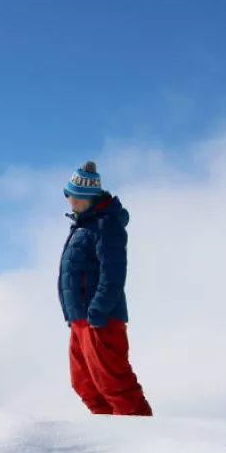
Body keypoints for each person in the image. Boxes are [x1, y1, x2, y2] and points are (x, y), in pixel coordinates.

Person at [58, 161, 152, 416]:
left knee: (114, 383)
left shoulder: (105, 226)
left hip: (100, 318)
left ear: (84, 197)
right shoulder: (84, 226)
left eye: (71, 195)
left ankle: (142, 440)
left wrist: (97, 312)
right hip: (80, 318)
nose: (68, 200)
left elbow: (113, 274)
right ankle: (106, 437)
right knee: (85, 384)